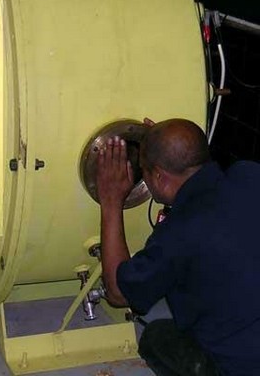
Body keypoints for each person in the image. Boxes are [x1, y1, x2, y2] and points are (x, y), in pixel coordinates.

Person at [95, 117, 260, 376]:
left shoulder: (177, 234)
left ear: (159, 177)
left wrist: (111, 200)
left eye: (144, 171)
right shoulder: (250, 173)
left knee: (156, 338)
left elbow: (117, 293)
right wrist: (160, 143)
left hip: (244, 366)